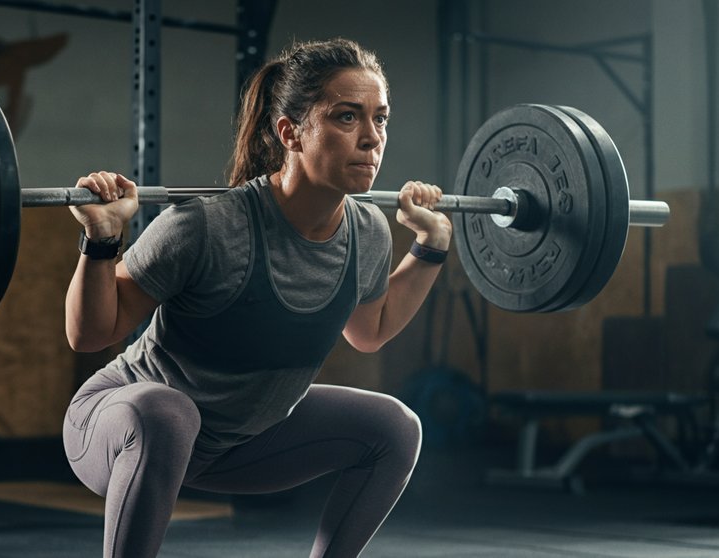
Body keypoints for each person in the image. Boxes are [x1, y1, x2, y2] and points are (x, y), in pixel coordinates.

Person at [63, 37, 451, 558]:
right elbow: (90, 333)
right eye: (346, 117)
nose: (371, 139)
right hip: (120, 431)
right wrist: (103, 240)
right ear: (290, 132)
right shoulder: (204, 227)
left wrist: (431, 247)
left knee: (395, 428)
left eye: (380, 119)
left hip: (239, 443)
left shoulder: (369, 233)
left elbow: (370, 331)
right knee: (168, 412)